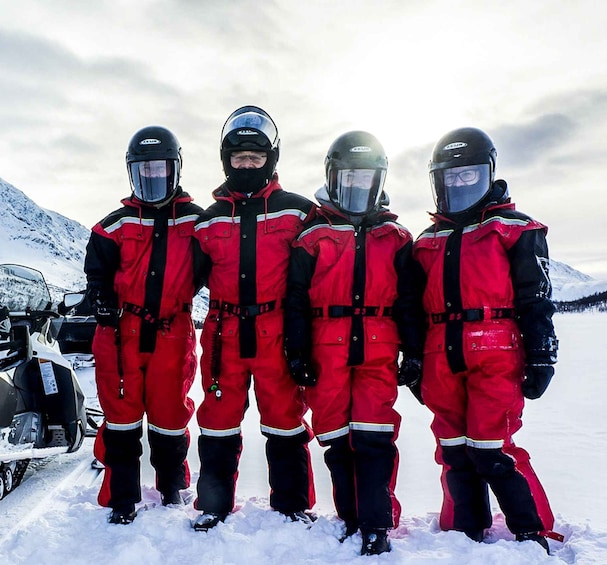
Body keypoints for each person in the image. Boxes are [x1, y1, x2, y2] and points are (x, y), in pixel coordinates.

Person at [408, 127, 561, 552]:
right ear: (437, 181)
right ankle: (463, 528)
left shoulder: (512, 228)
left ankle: (531, 530)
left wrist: (541, 353)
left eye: (468, 175)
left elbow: (536, 298)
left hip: (495, 345)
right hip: (440, 347)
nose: (459, 184)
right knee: (453, 446)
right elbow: (412, 307)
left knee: (493, 446)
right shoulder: (426, 241)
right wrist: (415, 361)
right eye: (450, 177)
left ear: (487, 174)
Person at [284, 131, 425, 555]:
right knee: (335, 437)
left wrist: (414, 351)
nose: (357, 190)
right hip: (326, 349)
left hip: (378, 349)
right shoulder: (313, 236)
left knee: (375, 436)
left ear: (379, 182)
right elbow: (295, 300)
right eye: (349, 181)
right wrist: (297, 352)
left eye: (366, 182)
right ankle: (350, 517)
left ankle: (378, 523)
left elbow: (410, 301)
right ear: (333, 178)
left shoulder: (396, 237)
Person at [191, 106, 316, 531]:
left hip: (277, 330)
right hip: (223, 333)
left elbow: (315, 275)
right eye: (239, 158)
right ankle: (214, 505)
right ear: (226, 160)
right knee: (218, 420)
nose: (246, 165)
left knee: (284, 418)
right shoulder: (207, 220)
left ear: (271, 159)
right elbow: (182, 277)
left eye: (255, 158)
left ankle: (291, 506)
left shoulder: (299, 212)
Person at [84, 125, 203, 525]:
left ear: (175, 170)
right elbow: (97, 276)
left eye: (160, 171)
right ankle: (122, 498)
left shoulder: (197, 222)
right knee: (121, 418)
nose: (152, 179)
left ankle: (172, 487)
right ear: (132, 173)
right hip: (120, 333)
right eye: (144, 172)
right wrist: (100, 300)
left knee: (170, 415)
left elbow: (212, 266)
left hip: (173, 330)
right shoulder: (111, 226)